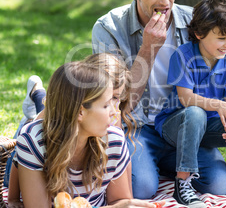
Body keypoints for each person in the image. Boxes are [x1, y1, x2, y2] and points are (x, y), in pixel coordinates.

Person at [92, 0, 226, 199]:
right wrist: (148, 49)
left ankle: (166, 165)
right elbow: (118, 102)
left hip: (182, 125)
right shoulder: (109, 28)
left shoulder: (194, 23)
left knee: (219, 184)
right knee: (142, 189)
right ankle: (151, 164)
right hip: (136, 127)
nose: (165, 1)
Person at [15, 60, 162, 208]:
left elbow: (119, 201)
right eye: (105, 105)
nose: (113, 112)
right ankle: (36, 97)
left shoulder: (114, 140)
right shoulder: (33, 141)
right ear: (80, 112)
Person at [154, 0, 226, 207]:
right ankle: (183, 183)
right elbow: (186, 98)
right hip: (175, 125)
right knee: (195, 112)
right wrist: (218, 105)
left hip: (206, 129)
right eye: (221, 38)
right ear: (199, 34)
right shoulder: (183, 55)